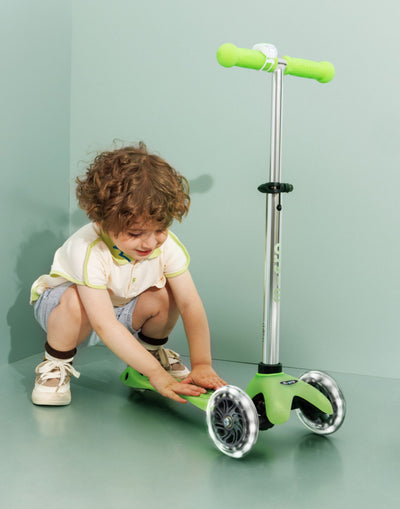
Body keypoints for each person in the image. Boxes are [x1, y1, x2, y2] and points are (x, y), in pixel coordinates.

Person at [30, 142, 226, 406]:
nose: (150, 243)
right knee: (76, 300)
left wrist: (202, 364)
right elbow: (105, 324)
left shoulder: (165, 245)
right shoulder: (86, 248)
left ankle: (148, 354)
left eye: (160, 229)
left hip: (121, 309)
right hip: (66, 311)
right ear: (102, 221)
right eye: (135, 233)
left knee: (167, 293)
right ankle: (56, 363)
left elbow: (190, 303)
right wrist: (157, 375)